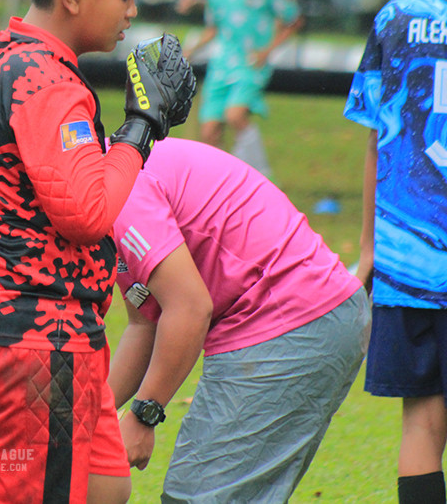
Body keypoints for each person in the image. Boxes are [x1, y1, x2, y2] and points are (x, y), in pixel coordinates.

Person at [0, 0, 197, 504]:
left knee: (106, 487)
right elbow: (86, 213)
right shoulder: (48, 80)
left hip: (0, 314)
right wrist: (140, 128)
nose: (132, 12)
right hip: (35, 332)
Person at [106, 137, 369, 502]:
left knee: (197, 496)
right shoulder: (110, 173)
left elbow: (189, 309)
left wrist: (143, 416)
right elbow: (144, 324)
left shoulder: (116, 187)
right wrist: (89, 418)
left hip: (291, 317)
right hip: (307, 316)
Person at [344, 0, 447, 504]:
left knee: (422, 421)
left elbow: (378, 141)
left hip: (410, 264)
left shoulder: (395, 21)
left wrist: (367, 248)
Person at [184, 0, 301, 177]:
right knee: (209, 132)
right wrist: (190, 50)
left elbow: (293, 19)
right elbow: (213, 28)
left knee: (236, 115)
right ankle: (219, 185)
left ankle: (261, 175)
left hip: (250, 64)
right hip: (222, 65)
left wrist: (267, 51)